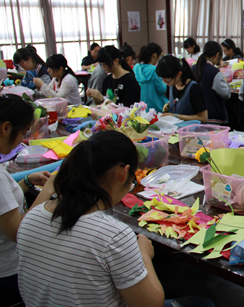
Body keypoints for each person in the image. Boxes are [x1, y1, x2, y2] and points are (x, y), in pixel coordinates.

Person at [17, 131, 215, 307]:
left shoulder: (32, 216)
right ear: (123, 173)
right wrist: (144, 255)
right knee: (204, 302)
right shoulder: (113, 236)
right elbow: (151, 304)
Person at [0, 95, 54, 306]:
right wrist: (48, 190)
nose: (22, 140)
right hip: (8, 274)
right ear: (5, 128)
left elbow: (5, 205)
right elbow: (19, 232)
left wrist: (26, 183)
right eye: (22, 133)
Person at [157, 55, 208, 122]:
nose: (164, 82)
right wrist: (169, 105)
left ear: (179, 74)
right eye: (162, 79)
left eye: (167, 80)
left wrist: (175, 116)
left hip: (191, 130)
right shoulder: (171, 85)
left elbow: (203, 118)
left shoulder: (194, 89)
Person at [193, 41, 230, 125]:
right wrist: (225, 81)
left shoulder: (192, 69)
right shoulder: (214, 72)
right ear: (217, 55)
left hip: (195, 116)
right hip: (213, 117)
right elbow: (226, 94)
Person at [134, 43, 168, 113]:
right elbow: (162, 89)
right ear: (154, 55)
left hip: (142, 108)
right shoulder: (154, 70)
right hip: (157, 107)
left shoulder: (136, 68)